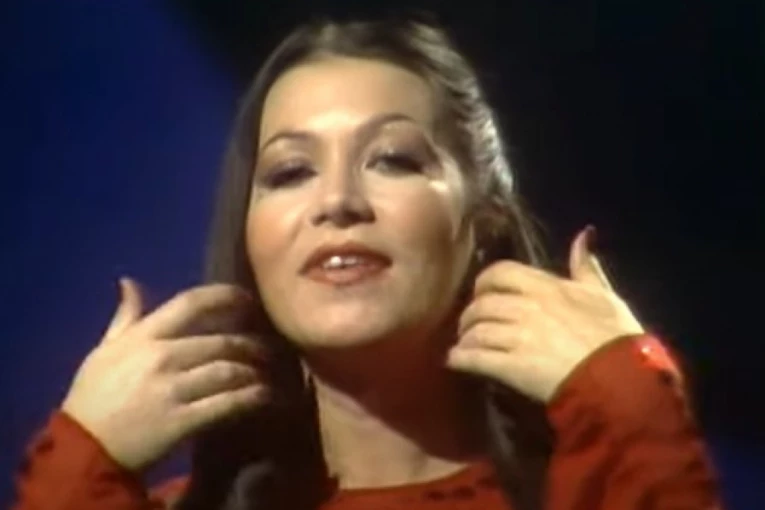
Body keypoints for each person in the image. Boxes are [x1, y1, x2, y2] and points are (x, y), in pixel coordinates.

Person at [12, 15, 723, 510]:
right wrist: (82, 463)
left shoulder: (599, 486)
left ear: (486, 219)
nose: (337, 202)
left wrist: (628, 405)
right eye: (290, 172)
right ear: (248, 235)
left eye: (392, 159)